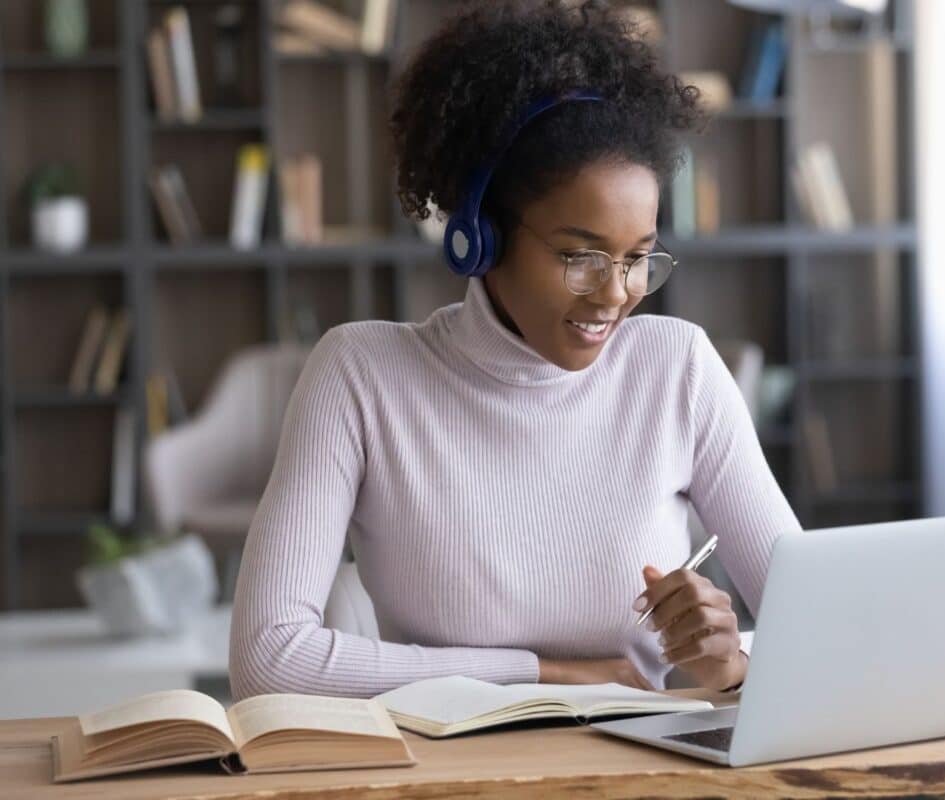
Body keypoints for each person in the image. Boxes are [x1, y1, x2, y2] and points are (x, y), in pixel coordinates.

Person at [229, 0, 801, 701]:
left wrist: (732, 665)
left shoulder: (676, 368)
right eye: (579, 257)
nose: (615, 295)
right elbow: (267, 658)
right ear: (480, 235)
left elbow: (818, 631)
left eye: (638, 259)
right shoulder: (362, 376)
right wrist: (544, 675)